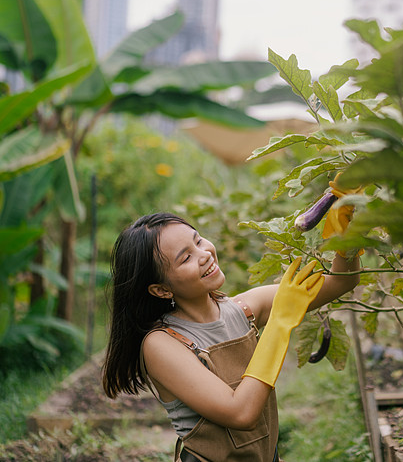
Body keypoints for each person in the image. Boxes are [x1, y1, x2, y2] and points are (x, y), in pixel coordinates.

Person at [101, 186, 360, 462]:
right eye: (186, 258)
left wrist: (346, 228)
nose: (205, 254)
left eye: (198, 241)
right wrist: (279, 322)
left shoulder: (243, 309)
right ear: (161, 290)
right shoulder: (161, 345)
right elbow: (241, 413)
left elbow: (342, 281)